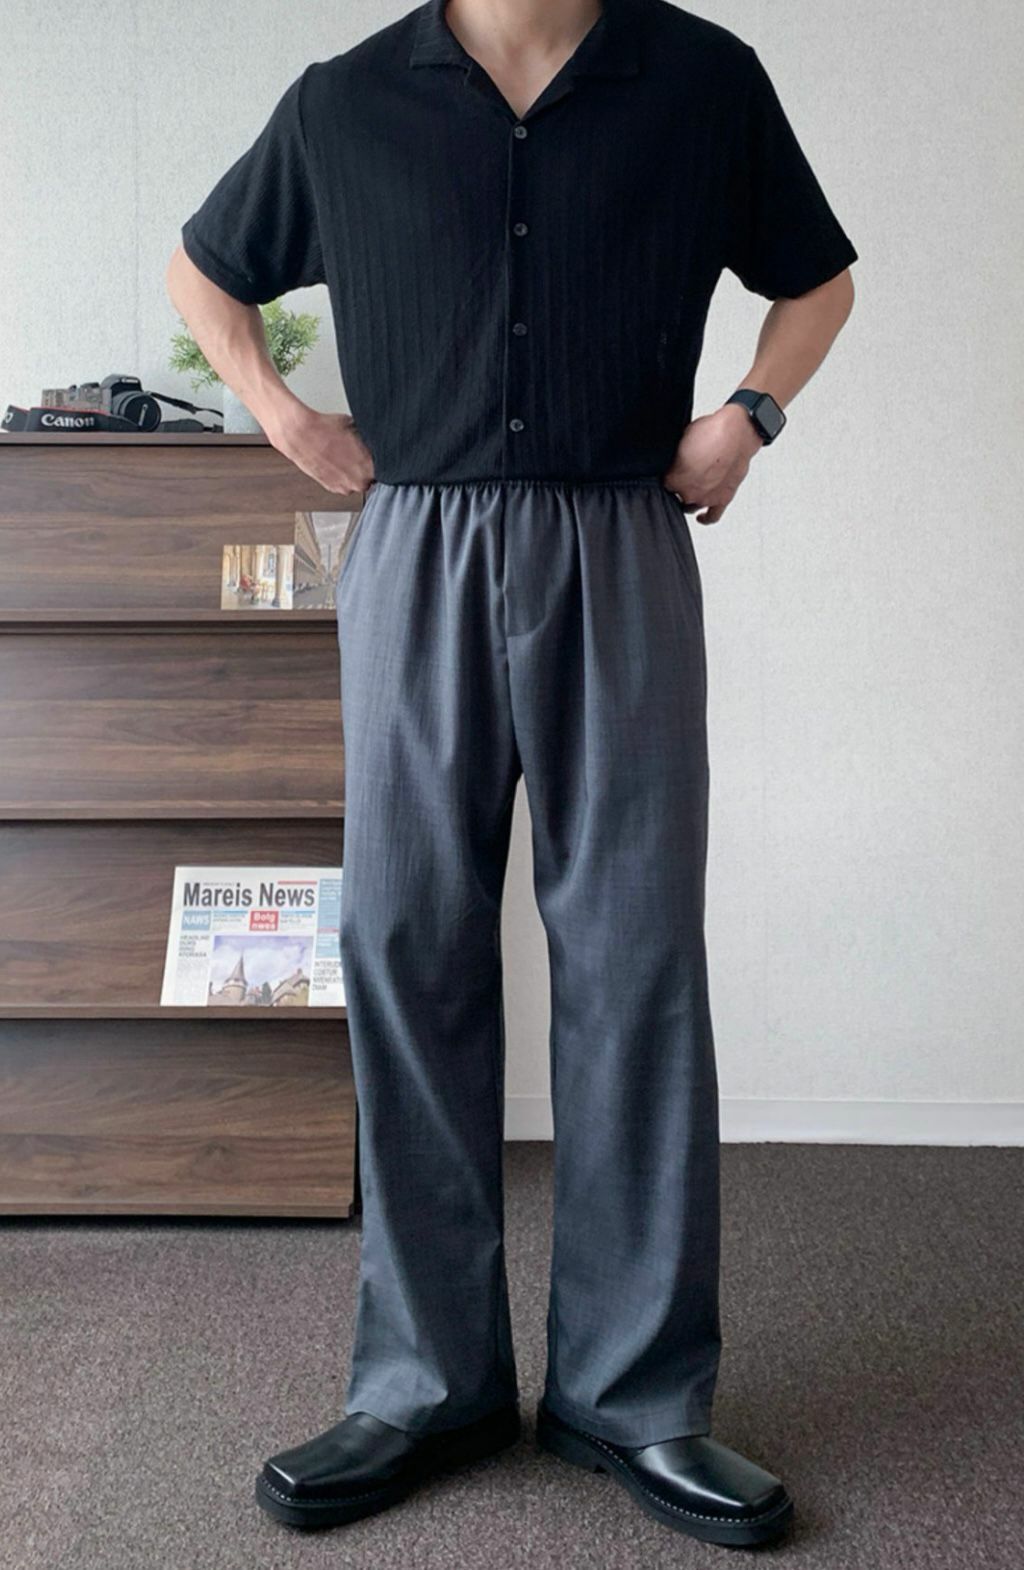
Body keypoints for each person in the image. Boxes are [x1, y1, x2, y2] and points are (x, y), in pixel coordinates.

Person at [167, 0, 856, 1549]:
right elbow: (203, 269)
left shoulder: (702, 82)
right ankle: (428, 1381)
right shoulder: (345, 102)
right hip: (414, 541)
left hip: (620, 538)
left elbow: (820, 281)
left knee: (634, 950)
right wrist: (283, 414)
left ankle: (635, 1391)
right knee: (406, 942)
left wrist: (748, 417)